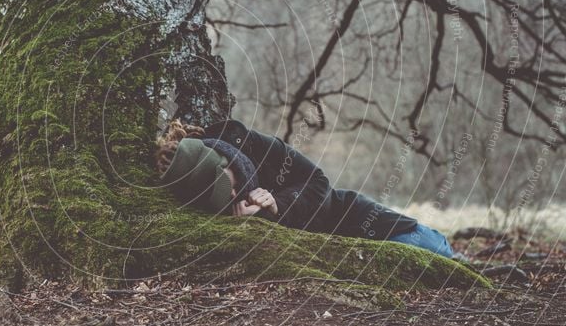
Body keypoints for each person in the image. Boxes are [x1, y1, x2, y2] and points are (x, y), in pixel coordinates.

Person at [155, 118, 459, 259]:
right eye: (224, 200)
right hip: (340, 260)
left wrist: (278, 205)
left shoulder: (256, 146)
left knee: (436, 253)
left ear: (227, 163)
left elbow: (319, 183)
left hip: (359, 220)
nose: (233, 199)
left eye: (229, 187)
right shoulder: (221, 204)